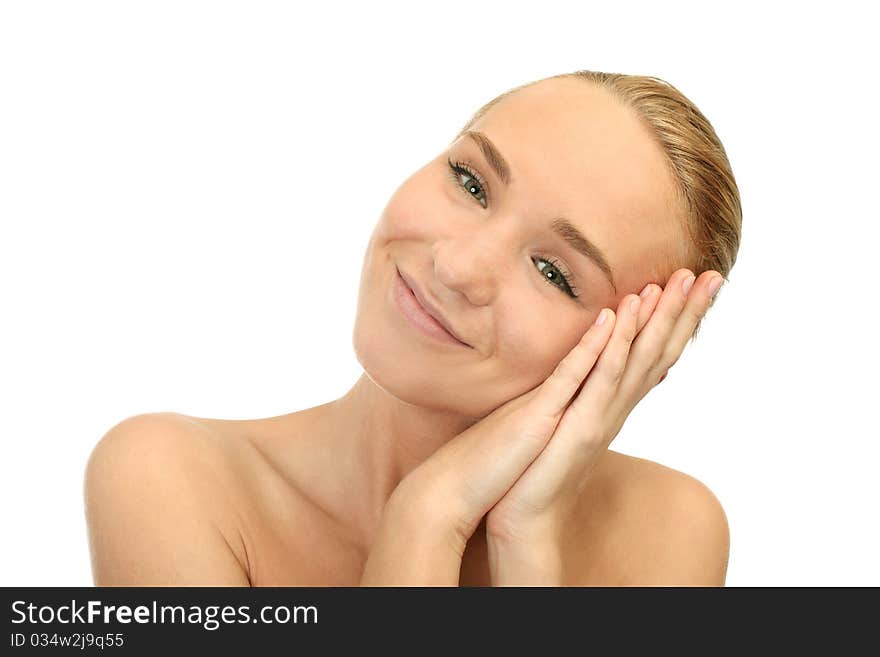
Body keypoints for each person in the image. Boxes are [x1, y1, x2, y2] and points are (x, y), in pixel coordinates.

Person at [84, 69, 742, 586]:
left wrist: (520, 543)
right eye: (471, 181)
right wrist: (427, 516)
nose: (456, 265)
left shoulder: (669, 530)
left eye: (553, 271)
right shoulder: (169, 479)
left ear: (639, 355)